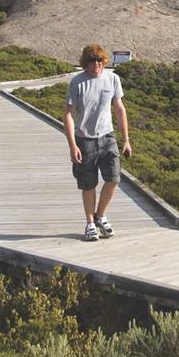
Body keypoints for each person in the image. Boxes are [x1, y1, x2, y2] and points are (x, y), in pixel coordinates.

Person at [64, 44, 132, 242]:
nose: (96, 64)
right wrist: (72, 145)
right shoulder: (77, 82)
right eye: (92, 61)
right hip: (84, 139)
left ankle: (100, 215)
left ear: (104, 62)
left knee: (113, 178)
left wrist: (126, 139)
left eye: (99, 61)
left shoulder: (112, 79)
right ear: (85, 63)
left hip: (107, 136)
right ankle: (90, 223)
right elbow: (68, 114)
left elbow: (119, 109)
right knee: (88, 184)